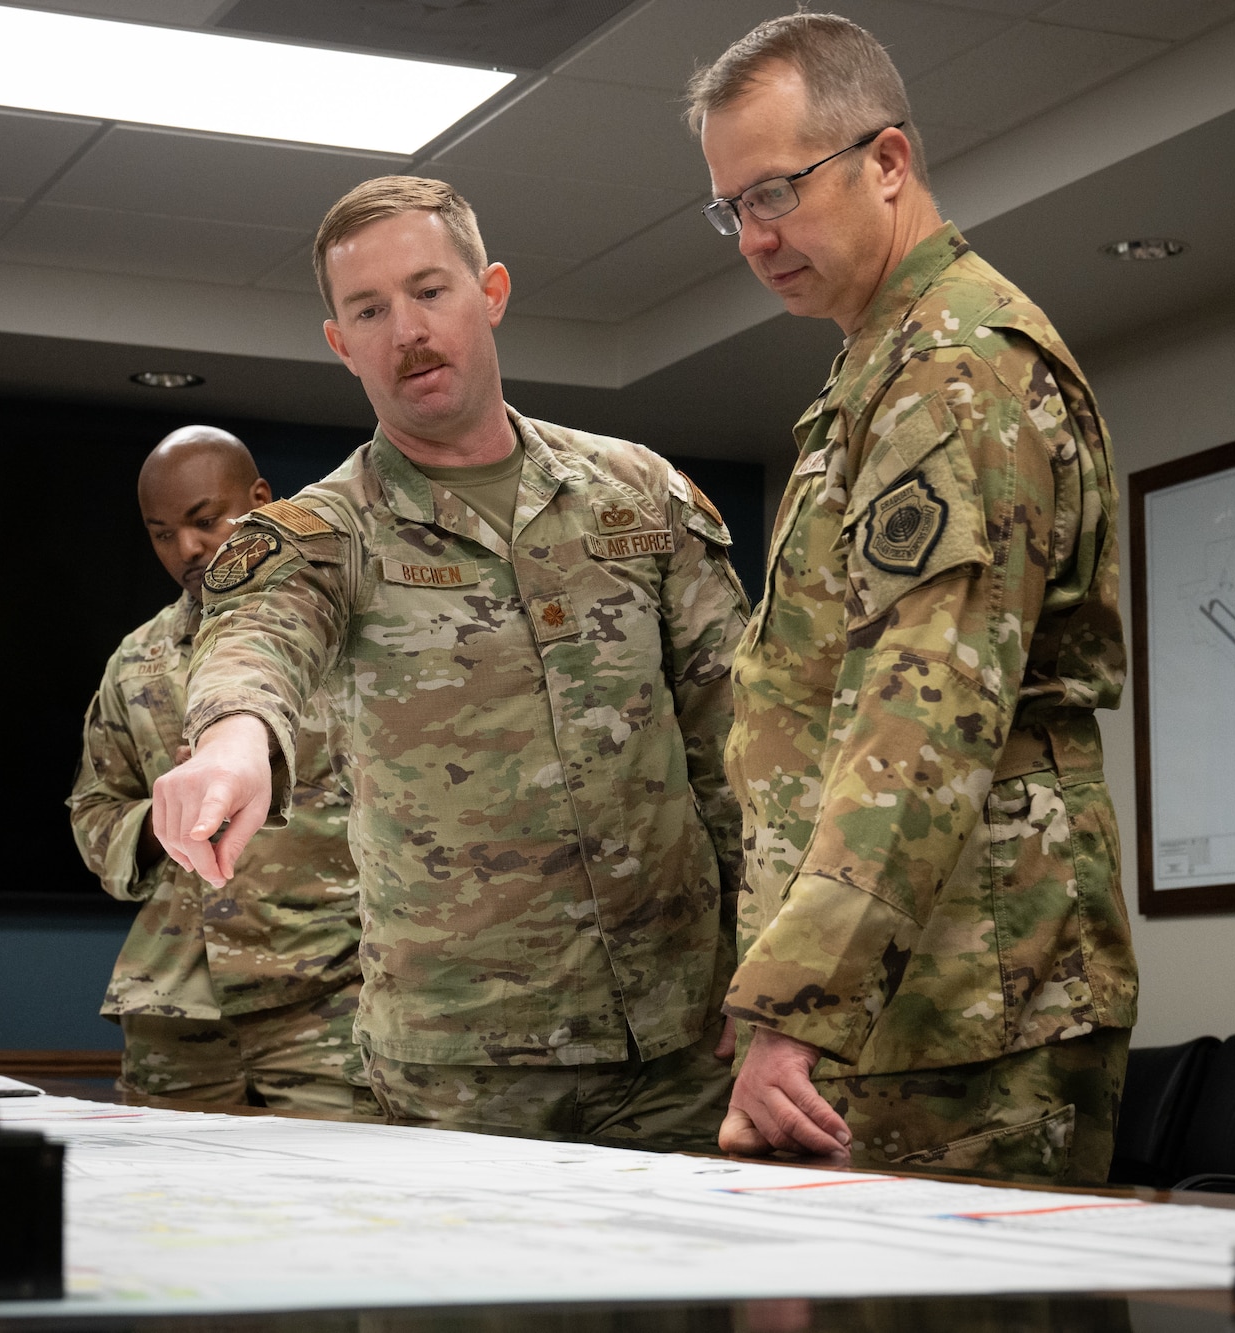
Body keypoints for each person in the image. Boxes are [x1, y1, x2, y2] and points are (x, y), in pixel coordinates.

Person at [148, 178, 748, 1152]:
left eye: (430, 292)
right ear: (341, 344)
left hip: (679, 1048)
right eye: (370, 311)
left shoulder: (639, 498)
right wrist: (231, 742)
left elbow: (742, 755)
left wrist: (771, 980)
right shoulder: (319, 532)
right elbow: (258, 639)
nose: (407, 331)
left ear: (491, 291)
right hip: (460, 1072)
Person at [687, 13, 1135, 1183]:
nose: (752, 235)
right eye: (731, 207)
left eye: (775, 191)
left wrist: (793, 997)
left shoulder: (951, 367)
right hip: (894, 999)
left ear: (885, 163)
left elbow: (919, 719)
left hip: (966, 1003)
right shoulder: (877, 368)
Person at [66, 426, 372, 1118]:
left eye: (205, 521)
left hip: (328, 997)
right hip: (177, 1008)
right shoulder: (136, 661)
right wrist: (166, 820)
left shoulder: (344, 643)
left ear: (261, 500)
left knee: (338, 1209)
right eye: (162, 533)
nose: (187, 549)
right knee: (164, 1216)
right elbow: (95, 809)